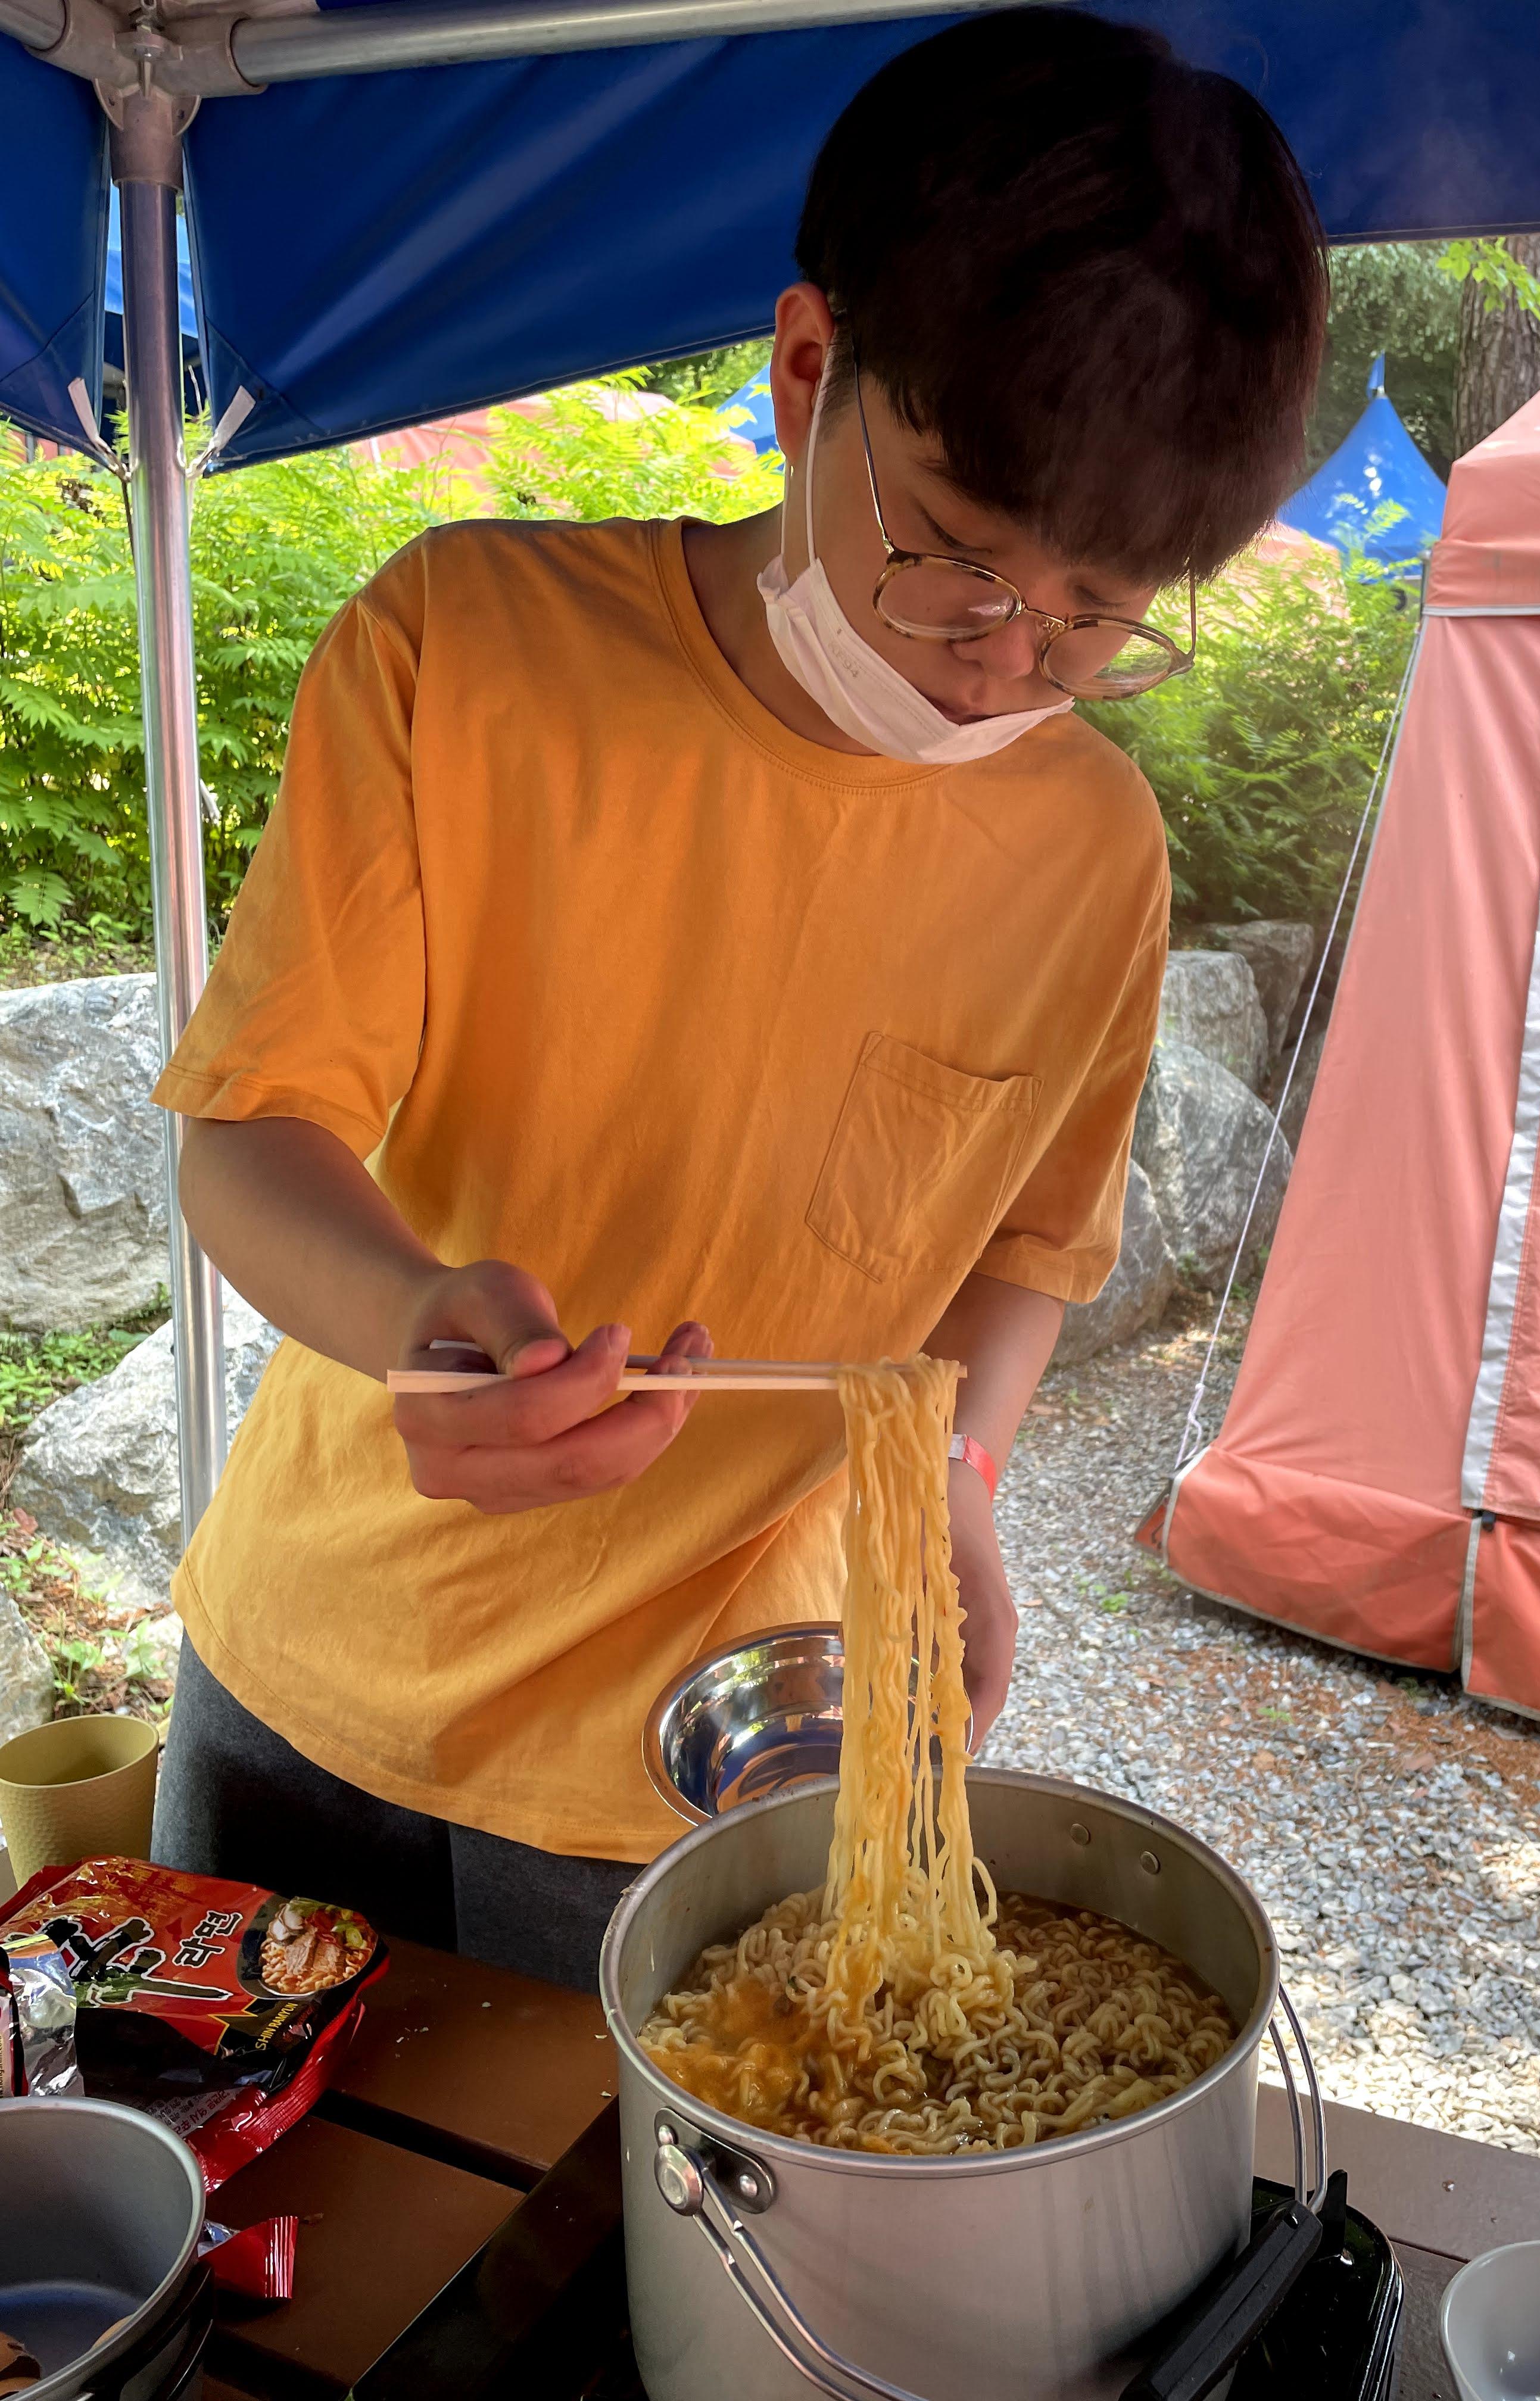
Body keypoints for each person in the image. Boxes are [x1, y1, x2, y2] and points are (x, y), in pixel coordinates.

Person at [149, 7, 1326, 1988]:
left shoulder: (1093, 850)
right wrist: (411, 1322)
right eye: (955, 557)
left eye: (1098, 617)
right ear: (806, 369)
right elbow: (246, 1136)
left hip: (709, 1754)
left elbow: (1023, 1251)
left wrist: (956, 1485)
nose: (1001, 664)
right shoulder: (471, 648)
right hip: (314, 1661)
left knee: (627, 2193)